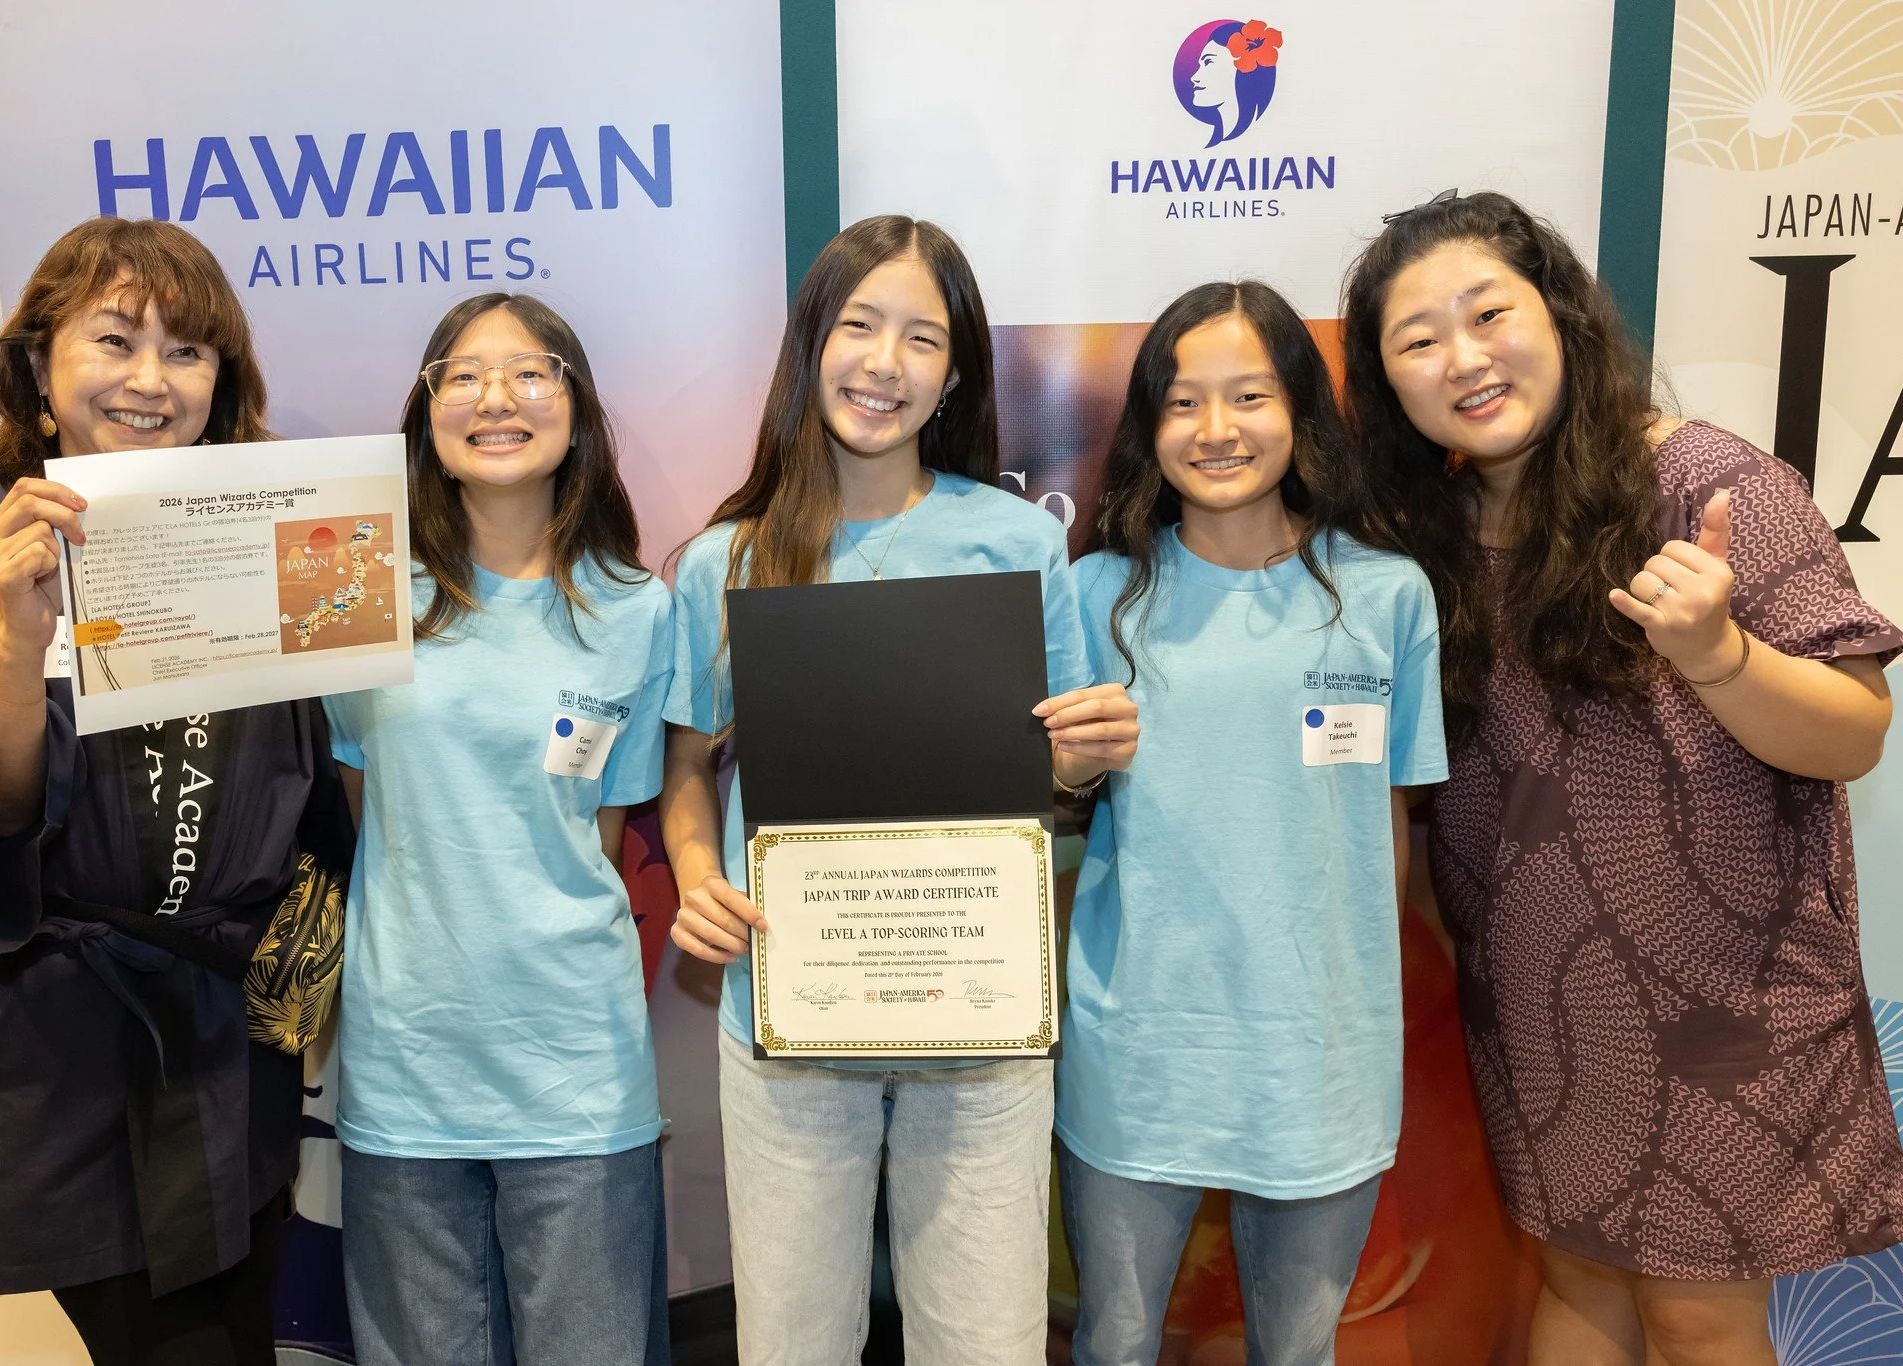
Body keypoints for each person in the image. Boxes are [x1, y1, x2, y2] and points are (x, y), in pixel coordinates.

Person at [1342, 189, 1902, 1366]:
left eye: (1487, 313)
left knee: (1696, 1314)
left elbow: (1852, 731)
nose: (1463, 357)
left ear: (1557, 312)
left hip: (1721, 997)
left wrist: (1716, 651)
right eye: (1416, 339)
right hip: (1540, 993)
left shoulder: (1702, 479)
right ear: (1386, 383)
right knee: (1578, 1275)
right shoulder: (1424, 537)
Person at [0, 217, 351, 1364]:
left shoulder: (260, 527)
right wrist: (16, 639)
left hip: (231, 1023)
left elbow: (318, 774)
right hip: (67, 1040)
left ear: (222, 380)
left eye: (187, 350)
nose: (150, 379)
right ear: (39, 365)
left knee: (242, 1317)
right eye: (114, 340)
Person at [659, 213, 1138, 1364]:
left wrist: (1092, 746)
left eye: (920, 338)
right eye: (858, 326)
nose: (884, 363)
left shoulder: (1017, 542)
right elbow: (683, 769)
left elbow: (1053, 767)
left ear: (953, 373)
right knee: (792, 1337)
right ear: (811, 343)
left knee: (983, 1338)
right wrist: (696, 874)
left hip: (973, 1003)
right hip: (791, 998)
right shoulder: (727, 558)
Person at [1054, 281, 1446, 1366]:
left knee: (1298, 1348)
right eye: (1183, 402)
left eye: (1249, 396)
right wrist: (1067, 769)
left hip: (1318, 1052)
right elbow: (1040, 807)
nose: (1215, 429)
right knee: (1113, 1342)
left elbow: (1387, 830)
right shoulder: (1094, 595)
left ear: (1301, 411)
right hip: (1137, 1046)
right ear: (1148, 424)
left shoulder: (1386, 598)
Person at [326, 293, 673, 1365]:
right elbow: (364, 812)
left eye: (530, 372)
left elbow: (603, 838)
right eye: (464, 375)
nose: (496, 399)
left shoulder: (636, 609)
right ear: (425, 407)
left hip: (577, 1068)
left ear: (576, 404)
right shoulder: (352, 591)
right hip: (407, 1059)